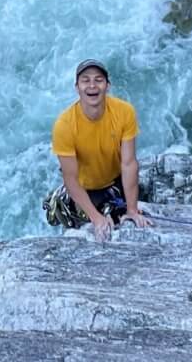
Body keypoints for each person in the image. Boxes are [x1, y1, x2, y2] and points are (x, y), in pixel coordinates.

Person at [44, 59, 151, 241]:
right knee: (107, 220)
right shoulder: (64, 125)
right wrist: (96, 219)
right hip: (87, 187)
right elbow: (70, 178)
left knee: (127, 214)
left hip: (115, 179)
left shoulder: (124, 112)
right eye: (85, 80)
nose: (92, 85)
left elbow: (129, 163)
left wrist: (132, 210)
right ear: (77, 88)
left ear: (107, 86)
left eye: (98, 80)